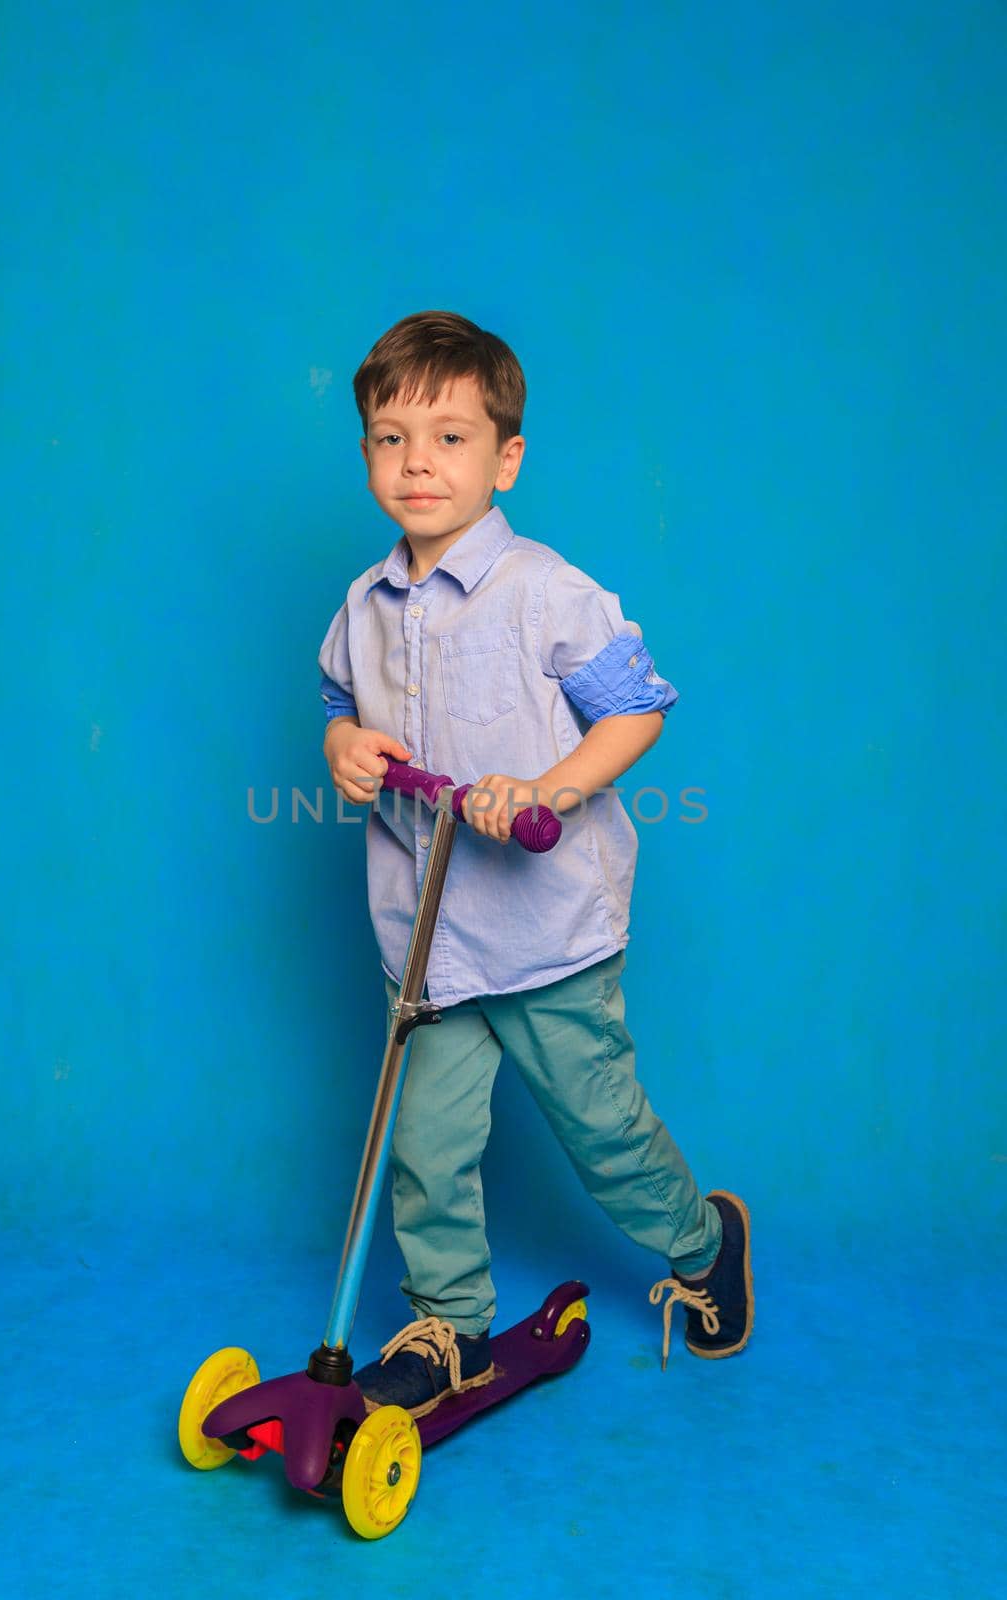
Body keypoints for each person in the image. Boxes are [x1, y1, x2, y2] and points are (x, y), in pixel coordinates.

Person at [317, 310, 753, 1416]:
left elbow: (635, 712)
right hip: (422, 938)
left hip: (544, 931)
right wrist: (344, 748)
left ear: (504, 458)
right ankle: (446, 1321)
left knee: (599, 1129)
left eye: (451, 438)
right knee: (424, 1144)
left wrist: (546, 789)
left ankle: (701, 1240)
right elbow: (337, 701)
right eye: (390, 438)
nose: (418, 463)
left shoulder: (545, 592)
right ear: (366, 451)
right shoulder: (361, 609)